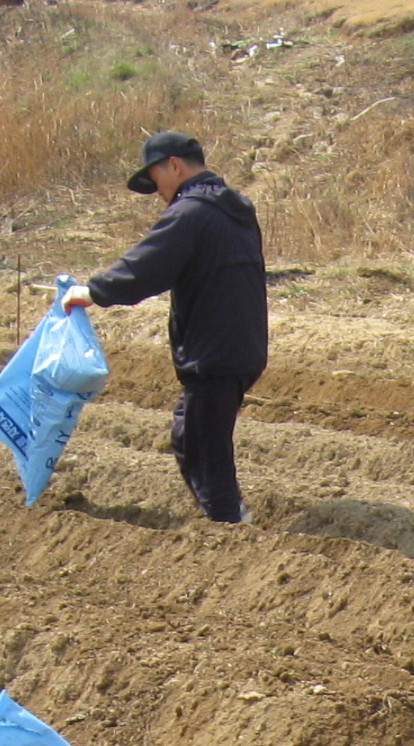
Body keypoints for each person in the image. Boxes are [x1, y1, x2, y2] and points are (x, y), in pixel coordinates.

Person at [66, 132, 268, 526]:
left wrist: (93, 291)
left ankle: (230, 528)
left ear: (174, 166)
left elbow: (148, 266)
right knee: (194, 435)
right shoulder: (236, 208)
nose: (158, 192)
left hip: (214, 352)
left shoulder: (191, 213)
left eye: (156, 179)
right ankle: (229, 520)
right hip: (242, 345)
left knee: (202, 444)